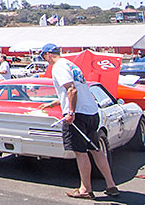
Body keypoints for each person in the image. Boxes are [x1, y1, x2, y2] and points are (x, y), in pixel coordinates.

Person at [37, 44, 119, 199]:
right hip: (91, 112)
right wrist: (55, 103)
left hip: (78, 115)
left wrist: (70, 112)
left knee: (81, 153)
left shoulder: (58, 67)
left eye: (43, 57)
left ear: (48, 54)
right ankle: (111, 184)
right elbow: (75, 90)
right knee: (95, 149)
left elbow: (72, 89)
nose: (45, 60)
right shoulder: (71, 64)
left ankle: (85, 189)